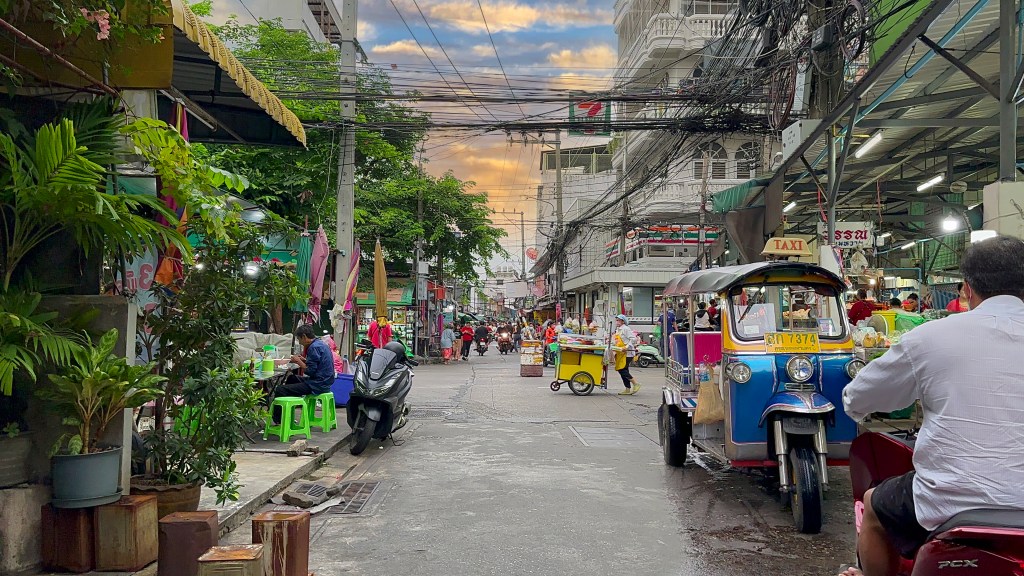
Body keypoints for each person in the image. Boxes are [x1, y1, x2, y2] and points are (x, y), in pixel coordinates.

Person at [839, 235, 1024, 576]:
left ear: (966, 289)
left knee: (874, 506)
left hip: (948, 503)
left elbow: (858, 398)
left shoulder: (930, 337)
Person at [271, 325, 335, 423]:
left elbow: (310, 371)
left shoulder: (313, 347)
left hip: (318, 384)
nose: (300, 342)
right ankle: (289, 414)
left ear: (304, 336)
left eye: (299, 339)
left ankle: (279, 420)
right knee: (291, 379)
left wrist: (298, 361)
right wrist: (304, 360)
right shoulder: (321, 344)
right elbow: (317, 364)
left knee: (280, 389)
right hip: (325, 381)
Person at [612, 314, 640, 395]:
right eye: (616, 320)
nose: (616, 322)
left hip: (627, 353)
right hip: (620, 352)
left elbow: (633, 339)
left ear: (623, 321)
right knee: (624, 370)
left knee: (622, 369)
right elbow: (617, 341)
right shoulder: (618, 330)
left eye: (618, 320)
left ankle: (635, 383)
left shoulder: (625, 329)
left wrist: (627, 347)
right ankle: (627, 388)